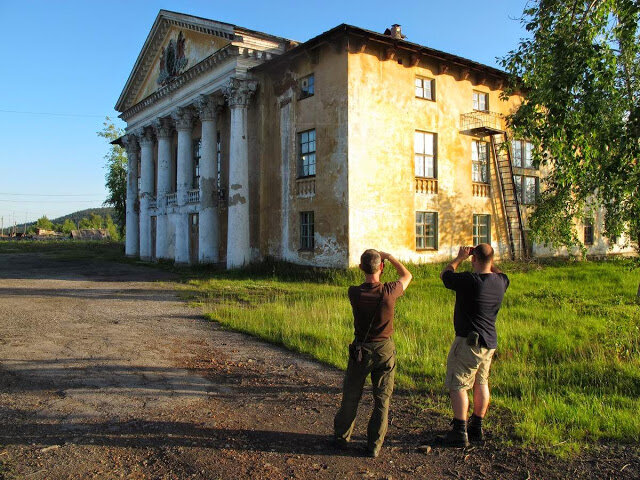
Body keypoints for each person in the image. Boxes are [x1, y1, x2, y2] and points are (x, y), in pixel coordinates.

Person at [334, 249, 412, 458]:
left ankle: (341, 437)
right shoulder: (390, 291)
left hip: (361, 349)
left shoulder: (354, 292)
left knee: (351, 395)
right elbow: (407, 276)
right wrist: (391, 257)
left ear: (361, 268)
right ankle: (374, 446)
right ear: (382, 268)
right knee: (381, 399)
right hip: (384, 350)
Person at [438, 244, 509, 447]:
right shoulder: (502, 281)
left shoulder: (470, 280)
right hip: (489, 342)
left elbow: (445, 274)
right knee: (481, 382)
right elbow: (498, 272)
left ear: (473, 259)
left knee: (458, 384)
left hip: (468, 342)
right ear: (492, 260)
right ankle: (476, 426)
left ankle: (460, 430)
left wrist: (459, 257)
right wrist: (488, 261)